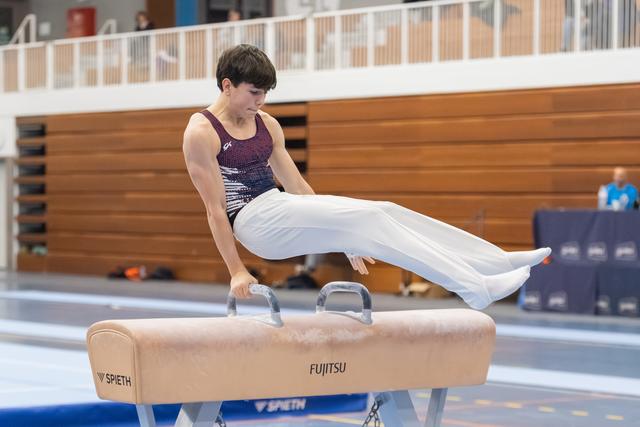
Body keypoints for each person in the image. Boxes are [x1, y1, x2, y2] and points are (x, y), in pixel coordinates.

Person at [182, 44, 551, 310]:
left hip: (281, 207)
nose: (260, 101)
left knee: (382, 212)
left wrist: (342, 230)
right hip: (251, 224)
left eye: (265, 94)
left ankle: (494, 265)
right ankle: (476, 286)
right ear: (227, 85)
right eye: (254, 92)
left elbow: (296, 187)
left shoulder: (268, 124)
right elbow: (215, 211)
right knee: (371, 217)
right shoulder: (202, 132)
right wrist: (237, 271)